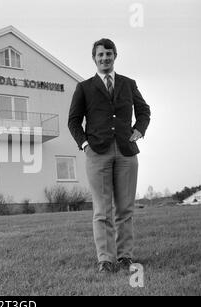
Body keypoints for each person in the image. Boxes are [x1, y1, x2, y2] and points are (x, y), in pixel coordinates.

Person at [68, 39, 151, 273]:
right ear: (94, 58)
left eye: (109, 54)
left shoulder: (128, 84)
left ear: (115, 56)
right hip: (97, 153)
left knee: (125, 209)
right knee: (102, 210)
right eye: (100, 55)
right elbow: (73, 121)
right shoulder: (84, 87)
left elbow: (144, 111)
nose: (105, 58)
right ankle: (105, 259)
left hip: (127, 152)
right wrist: (84, 144)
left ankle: (125, 256)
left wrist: (139, 130)